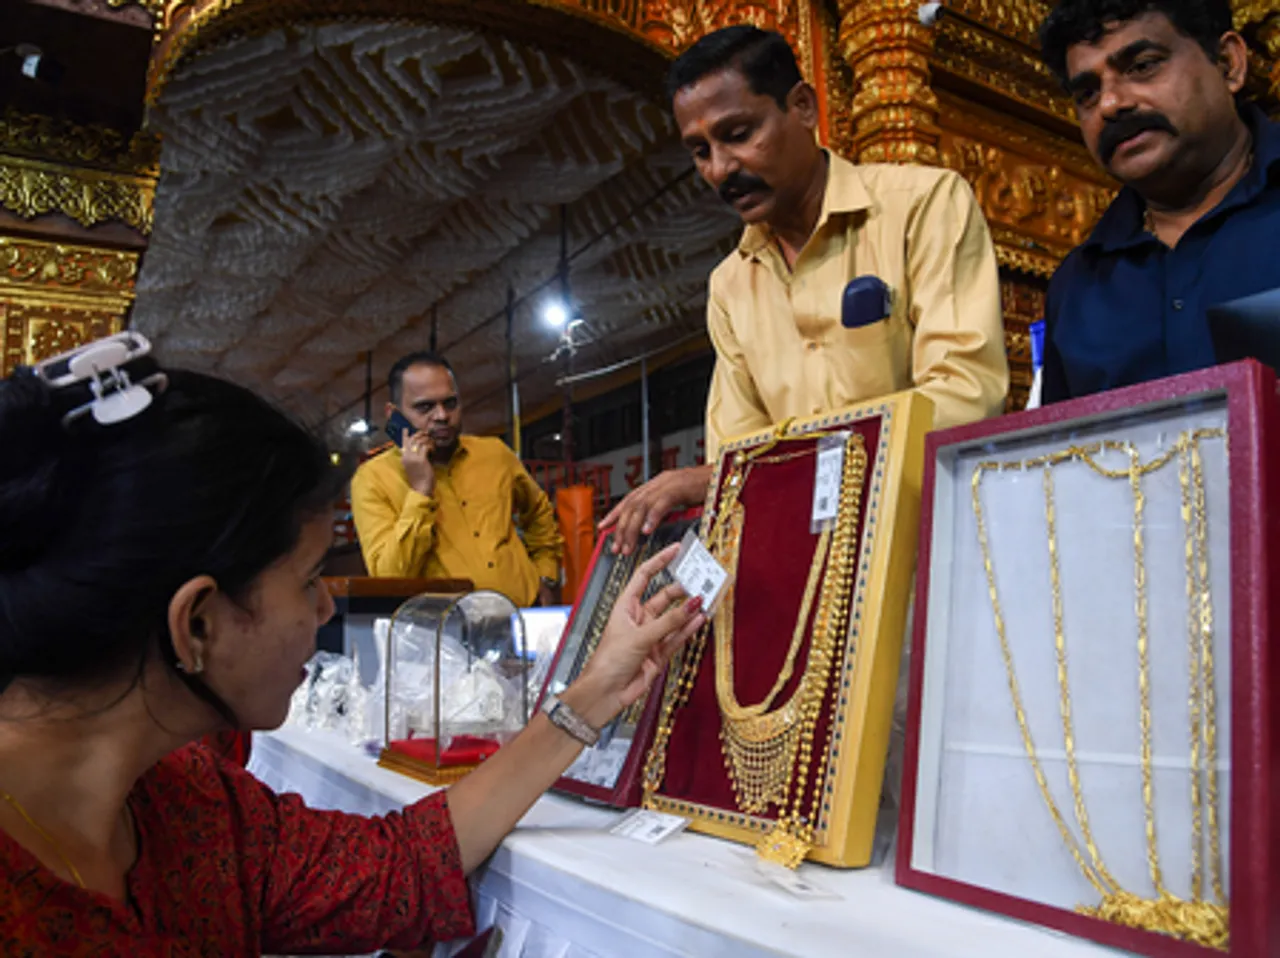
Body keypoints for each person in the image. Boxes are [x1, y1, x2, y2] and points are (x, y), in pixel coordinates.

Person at [0, 335, 704, 955]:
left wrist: (595, 689)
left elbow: (400, 867)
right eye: (310, 580)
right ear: (197, 624)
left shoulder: (185, 808)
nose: (326, 606)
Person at [602, 25, 1009, 553]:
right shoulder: (730, 285)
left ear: (802, 107)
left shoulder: (922, 207)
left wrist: (752, 472)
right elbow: (736, 449)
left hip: (930, 547)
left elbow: (964, 398)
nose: (720, 169)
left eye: (739, 133)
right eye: (699, 150)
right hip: (804, 566)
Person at [1037, 0, 1279, 402]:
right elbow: (1064, 459)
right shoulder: (1077, 287)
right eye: (1087, 93)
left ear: (1228, 63)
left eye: (1142, 66)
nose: (1111, 104)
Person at [351, 351, 563, 606]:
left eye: (450, 403)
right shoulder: (372, 479)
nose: (441, 415)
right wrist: (420, 492)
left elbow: (539, 513)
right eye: (425, 407)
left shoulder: (495, 454)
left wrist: (547, 576)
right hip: (445, 636)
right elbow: (391, 578)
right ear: (393, 414)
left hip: (525, 617)